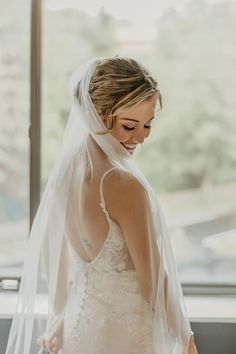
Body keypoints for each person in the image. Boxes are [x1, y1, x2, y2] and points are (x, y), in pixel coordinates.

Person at [6, 57, 198, 354]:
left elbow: (56, 255)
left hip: (80, 328)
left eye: (148, 124)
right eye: (129, 125)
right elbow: (152, 282)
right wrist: (187, 341)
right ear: (97, 114)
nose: (142, 137)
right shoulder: (123, 185)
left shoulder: (65, 170)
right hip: (126, 336)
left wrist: (60, 317)